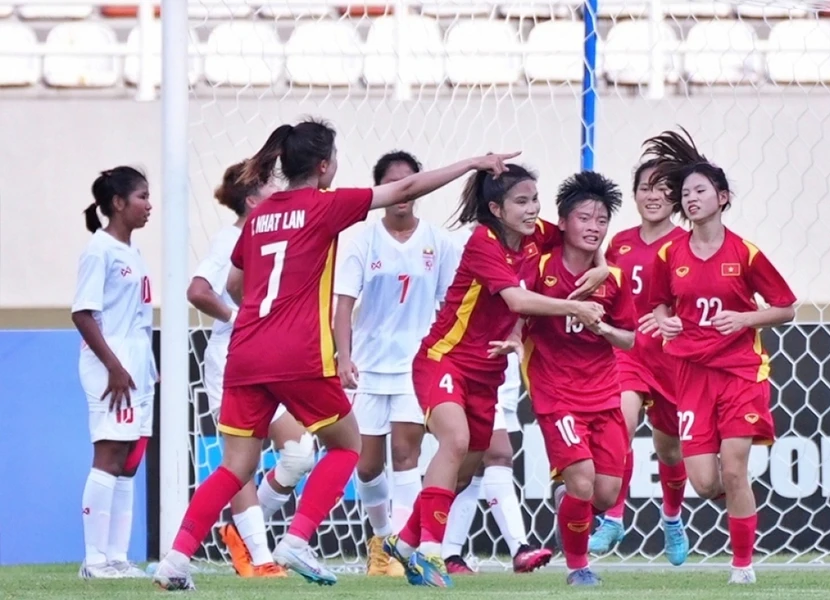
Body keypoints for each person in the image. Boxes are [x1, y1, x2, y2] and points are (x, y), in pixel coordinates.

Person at [151, 117, 520, 591]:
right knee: (348, 445)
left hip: (244, 351)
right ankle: (297, 539)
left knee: (235, 466)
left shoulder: (259, 215)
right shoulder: (325, 205)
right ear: (324, 166)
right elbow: (405, 187)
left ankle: (175, 561)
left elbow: (236, 284)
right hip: (297, 352)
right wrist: (472, 162)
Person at [383, 164, 610, 588]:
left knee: (465, 471)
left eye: (534, 200)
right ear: (496, 209)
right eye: (521, 202)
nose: (532, 209)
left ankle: (406, 540)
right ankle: (430, 554)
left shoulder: (535, 234)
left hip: (488, 371)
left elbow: (580, 237)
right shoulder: (482, 243)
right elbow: (517, 300)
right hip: (445, 358)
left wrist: (601, 264)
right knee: (455, 441)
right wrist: (575, 307)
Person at [642, 128, 796, 584]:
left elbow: (786, 307)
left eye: (700, 191)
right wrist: (666, 321)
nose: (691, 199)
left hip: (740, 371)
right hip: (690, 373)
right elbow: (658, 304)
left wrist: (745, 319)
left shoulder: (745, 252)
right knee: (706, 482)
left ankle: (743, 567)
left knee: (734, 468)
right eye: (686, 193)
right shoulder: (669, 253)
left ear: (722, 198)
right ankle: (739, 508)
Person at [186, 161, 316, 578]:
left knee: (300, 453)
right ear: (252, 199)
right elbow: (198, 290)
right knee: (241, 461)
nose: (280, 191)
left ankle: (241, 533)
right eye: (270, 186)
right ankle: (260, 559)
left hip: (269, 360)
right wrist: (235, 317)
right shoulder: (229, 240)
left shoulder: (271, 233)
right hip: (231, 362)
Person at [332, 150, 457, 577]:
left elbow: (450, 305)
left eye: (409, 182)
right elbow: (343, 305)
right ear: (381, 189)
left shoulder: (438, 242)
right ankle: (382, 539)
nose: (402, 191)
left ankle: (404, 549)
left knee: (406, 454)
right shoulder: (361, 240)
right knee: (366, 464)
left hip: (414, 367)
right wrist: (344, 356)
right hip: (366, 368)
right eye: (392, 183)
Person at [523, 172, 635, 586]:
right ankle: (577, 567)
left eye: (601, 220)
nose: (593, 227)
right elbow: (516, 306)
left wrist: (603, 329)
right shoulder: (541, 267)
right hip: (556, 394)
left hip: (604, 394)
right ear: (563, 222)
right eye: (584, 218)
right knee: (584, 481)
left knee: (605, 494)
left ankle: (567, 500)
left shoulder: (613, 279)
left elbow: (630, 339)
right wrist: (514, 340)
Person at [589, 159, 689, 565]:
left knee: (670, 452)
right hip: (626, 353)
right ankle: (614, 517)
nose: (653, 195)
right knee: (621, 426)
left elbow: (697, 298)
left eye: (663, 188)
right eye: (645, 187)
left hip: (670, 359)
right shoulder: (620, 243)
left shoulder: (685, 244)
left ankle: (672, 518)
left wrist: (673, 320)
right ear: (634, 195)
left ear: (676, 197)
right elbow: (609, 291)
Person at [72, 167, 155, 579]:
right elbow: (82, 313)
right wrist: (114, 367)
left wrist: (146, 368)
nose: (149, 205)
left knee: (130, 460)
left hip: (137, 366)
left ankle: (117, 557)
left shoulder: (132, 251)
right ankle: (94, 561)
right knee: (109, 455)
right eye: (142, 197)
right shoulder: (99, 250)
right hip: (111, 366)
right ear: (118, 203)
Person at [441, 321, 551, 575]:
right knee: (498, 455)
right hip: (471, 364)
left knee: (474, 466)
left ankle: (449, 554)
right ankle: (520, 548)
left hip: (505, 370)